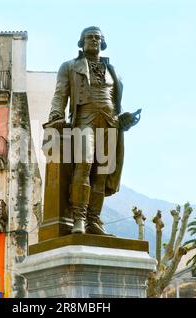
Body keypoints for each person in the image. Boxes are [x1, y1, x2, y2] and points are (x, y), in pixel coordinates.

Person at [44, 26, 141, 235]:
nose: (94, 40)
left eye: (98, 37)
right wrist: (55, 115)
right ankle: (79, 218)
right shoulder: (69, 67)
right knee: (84, 164)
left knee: (102, 173)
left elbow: (116, 102)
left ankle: (93, 220)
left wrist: (125, 118)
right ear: (81, 41)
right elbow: (60, 94)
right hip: (84, 120)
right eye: (89, 37)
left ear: (103, 42)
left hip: (110, 123)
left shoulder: (113, 71)